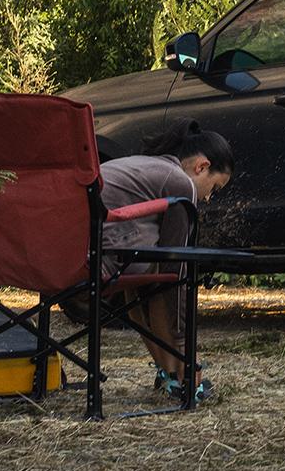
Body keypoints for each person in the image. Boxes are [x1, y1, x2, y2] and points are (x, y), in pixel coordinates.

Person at [98, 123, 233, 400]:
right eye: (214, 187)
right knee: (163, 277)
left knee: (140, 281)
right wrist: (186, 347)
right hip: (102, 256)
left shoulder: (149, 165)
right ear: (201, 166)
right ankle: (178, 373)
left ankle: (167, 370)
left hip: (75, 249)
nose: (208, 198)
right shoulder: (181, 184)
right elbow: (176, 271)